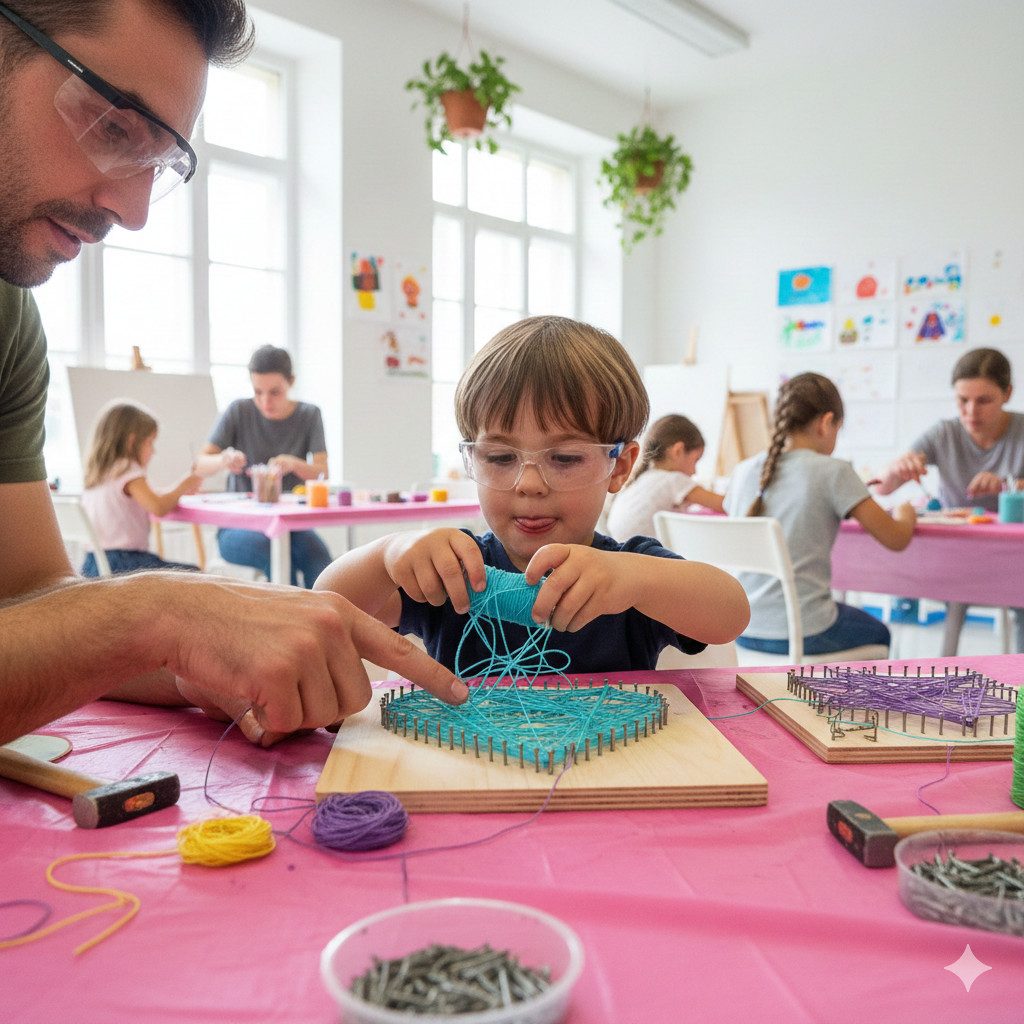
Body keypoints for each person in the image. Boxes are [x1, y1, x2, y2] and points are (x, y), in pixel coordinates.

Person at [0, 0, 466, 750]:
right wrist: (160, 612)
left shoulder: (9, 322)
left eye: (160, 161)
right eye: (114, 127)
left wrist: (197, 655)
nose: (134, 209)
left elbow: (28, 611)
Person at [315, 315, 750, 674]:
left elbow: (730, 613)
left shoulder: (625, 574)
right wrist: (386, 556)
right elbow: (327, 608)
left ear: (619, 466)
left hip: (609, 757)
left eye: (564, 458)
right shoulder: (452, 572)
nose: (529, 483)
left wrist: (636, 579)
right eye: (501, 457)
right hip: (468, 756)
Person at [724, 372, 916, 657]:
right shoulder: (835, 471)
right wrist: (905, 510)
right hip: (806, 631)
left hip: (742, 629)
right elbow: (896, 538)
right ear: (826, 423)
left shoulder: (743, 471)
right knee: (880, 632)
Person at [874, 347, 1024, 654]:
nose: (971, 411)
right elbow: (884, 488)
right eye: (962, 400)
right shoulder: (944, 433)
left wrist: (1009, 484)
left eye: (984, 400)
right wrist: (898, 468)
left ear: (1007, 393)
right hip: (956, 556)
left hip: (1013, 557)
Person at [196, 344, 332, 588]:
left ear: (291, 382)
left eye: (274, 392)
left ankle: (332, 613)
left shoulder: (309, 414)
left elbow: (323, 473)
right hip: (237, 526)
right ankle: (291, 614)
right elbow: (200, 464)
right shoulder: (239, 411)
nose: (265, 401)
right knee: (277, 556)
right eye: (257, 392)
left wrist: (295, 464)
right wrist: (224, 459)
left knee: (320, 560)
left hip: (292, 526)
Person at [80, 401, 203, 576]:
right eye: (150, 442)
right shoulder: (127, 469)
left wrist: (177, 492)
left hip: (93, 565)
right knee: (196, 575)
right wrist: (185, 484)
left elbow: (151, 498)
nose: (153, 451)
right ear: (132, 442)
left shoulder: (99, 474)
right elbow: (158, 506)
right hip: (123, 564)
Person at [606, 414, 724, 541]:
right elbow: (725, 504)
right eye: (695, 460)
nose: (695, 471)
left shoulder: (643, 478)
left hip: (619, 547)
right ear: (678, 451)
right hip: (641, 551)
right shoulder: (674, 480)